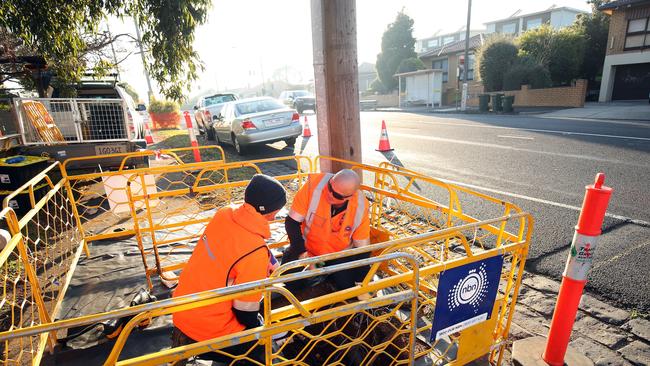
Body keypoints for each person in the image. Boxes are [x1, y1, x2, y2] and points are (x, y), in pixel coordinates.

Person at [171, 174, 286, 365]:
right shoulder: (254, 251)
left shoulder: (224, 214)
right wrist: (260, 329)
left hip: (182, 310)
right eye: (277, 210)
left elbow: (237, 250)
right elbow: (244, 311)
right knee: (262, 350)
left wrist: (267, 258)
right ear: (269, 211)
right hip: (210, 329)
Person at [282, 169, 371, 293]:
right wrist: (302, 254)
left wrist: (362, 281)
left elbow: (363, 249)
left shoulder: (361, 206)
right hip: (308, 251)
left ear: (349, 197)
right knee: (290, 281)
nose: (329, 194)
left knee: (349, 288)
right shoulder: (312, 187)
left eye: (336, 195)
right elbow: (292, 223)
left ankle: (329, 283)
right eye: (329, 187)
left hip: (337, 256)